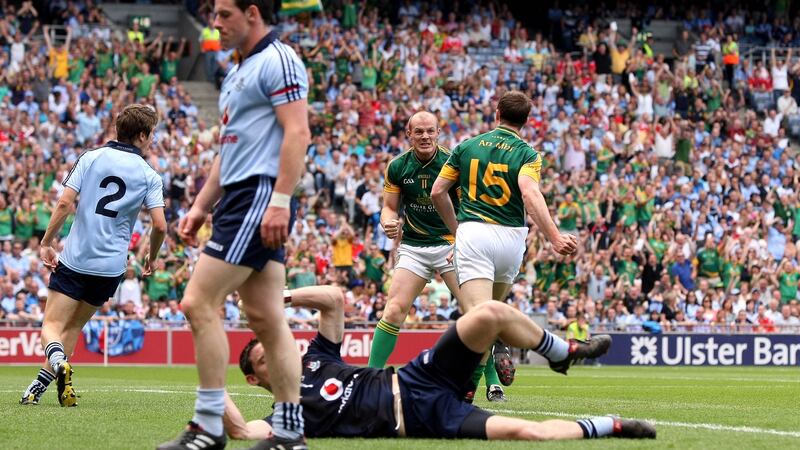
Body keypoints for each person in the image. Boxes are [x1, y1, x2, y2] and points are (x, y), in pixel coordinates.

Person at [158, 0, 311, 449]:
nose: (216, 23)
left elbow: (297, 133)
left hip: (259, 195)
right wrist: (202, 205)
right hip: (241, 197)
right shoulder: (238, 71)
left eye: (225, 14)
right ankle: (289, 433)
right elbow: (229, 151)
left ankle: (207, 426)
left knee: (197, 301)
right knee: (266, 317)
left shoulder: (279, 60)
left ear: (252, 12)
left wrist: (280, 200)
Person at [223, 285, 655, 441]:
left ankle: (564, 354)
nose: (277, 356)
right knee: (530, 433)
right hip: (426, 416)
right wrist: (210, 389)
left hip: (418, 376)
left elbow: (333, 298)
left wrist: (275, 301)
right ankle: (612, 425)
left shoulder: (317, 357)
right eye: (264, 360)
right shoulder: (288, 417)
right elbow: (243, 432)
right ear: (253, 378)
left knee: (487, 313)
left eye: (272, 347)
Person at [19, 104, 166, 407]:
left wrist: (47, 241)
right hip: (111, 267)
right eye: (150, 134)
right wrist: (151, 256)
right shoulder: (150, 175)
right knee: (73, 327)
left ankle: (58, 361)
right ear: (141, 135)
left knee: (51, 327)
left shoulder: (91, 157)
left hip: (77, 259)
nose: (152, 140)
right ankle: (39, 387)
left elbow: (64, 205)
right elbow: (160, 226)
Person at [431, 90, 578, 394]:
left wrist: (457, 230)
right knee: (490, 311)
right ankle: (483, 374)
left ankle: (467, 386)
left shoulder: (467, 147)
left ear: (497, 113)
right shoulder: (527, 154)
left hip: (475, 233)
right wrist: (554, 237)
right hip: (512, 238)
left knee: (477, 316)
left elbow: (437, 192)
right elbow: (530, 194)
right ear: (526, 121)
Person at [371, 110, 511, 402]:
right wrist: (387, 220)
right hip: (414, 246)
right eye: (418, 131)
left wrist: (465, 241)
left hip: (451, 244)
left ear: (438, 132)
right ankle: (370, 379)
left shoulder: (454, 162)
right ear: (408, 135)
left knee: (477, 311)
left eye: (430, 131)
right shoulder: (397, 166)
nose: (424, 136)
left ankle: (493, 380)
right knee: (394, 310)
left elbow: (471, 207)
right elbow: (389, 207)